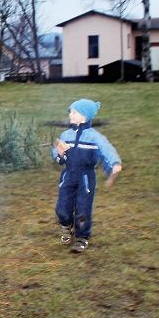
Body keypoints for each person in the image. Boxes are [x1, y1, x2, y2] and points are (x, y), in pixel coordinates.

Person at [52, 99, 122, 253]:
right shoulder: (66, 135)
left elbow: (107, 149)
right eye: (70, 112)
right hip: (68, 176)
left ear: (84, 116)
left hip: (86, 178)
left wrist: (115, 163)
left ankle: (82, 237)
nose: (70, 115)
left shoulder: (94, 137)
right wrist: (59, 153)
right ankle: (66, 226)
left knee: (83, 208)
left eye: (74, 112)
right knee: (62, 208)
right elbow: (57, 156)